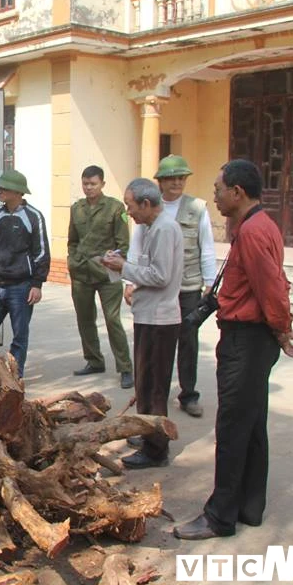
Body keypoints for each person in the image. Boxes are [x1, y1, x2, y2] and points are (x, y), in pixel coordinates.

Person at [173, 159, 293, 540]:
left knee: (231, 428)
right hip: (251, 338)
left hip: (247, 340)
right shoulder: (255, 226)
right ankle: (250, 507)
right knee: (251, 425)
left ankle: (219, 516)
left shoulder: (253, 231)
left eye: (218, 190)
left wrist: (282, 328)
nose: (214, 197)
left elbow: (272, 287)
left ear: (237, 192)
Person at [125, 155, 216, 417]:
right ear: (160, 183)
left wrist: (209, 282)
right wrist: (130, 280)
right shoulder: (148, 211)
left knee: (187, 341)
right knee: (155, 357)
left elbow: (206, 247)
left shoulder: (195, 208)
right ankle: (152, 413)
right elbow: (137, 247)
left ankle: (188, 394)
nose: (177, 183)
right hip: (156, 290)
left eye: (181, 178)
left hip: (186, 284)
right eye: (171, 178)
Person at [102, 178, 183, 470]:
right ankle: (147, 432)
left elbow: (160, 276)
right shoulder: (152, 228)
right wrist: (129, 273)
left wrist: (125, 268)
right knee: (145, 384)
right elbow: (151, 271)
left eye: (131, 206)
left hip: (160, 319)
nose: (129, 213)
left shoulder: (163, 228)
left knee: (154, 387)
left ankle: (156, 449)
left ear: (147, 204)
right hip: (149, 315)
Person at [0, 169, 50, 378]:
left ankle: (15, 380)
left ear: (17, 192)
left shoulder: (33, 217)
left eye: (4, 188)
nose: (0, 191)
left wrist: (37, 284)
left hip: (21, 288)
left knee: (19, 337)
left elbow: (41, 252)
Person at [67, 165, 134, 389]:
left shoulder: (116, 208)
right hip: (81, 273)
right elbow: (72, 240)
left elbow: (123, 244)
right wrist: (73, 259)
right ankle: (94, 360)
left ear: (102, 184)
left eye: (93, 184)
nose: (88, 188)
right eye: (85, 183)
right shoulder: (76, 209)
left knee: (112, 320)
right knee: (85, 320)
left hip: (107, 274)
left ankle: (125, 368)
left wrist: (109, 261)